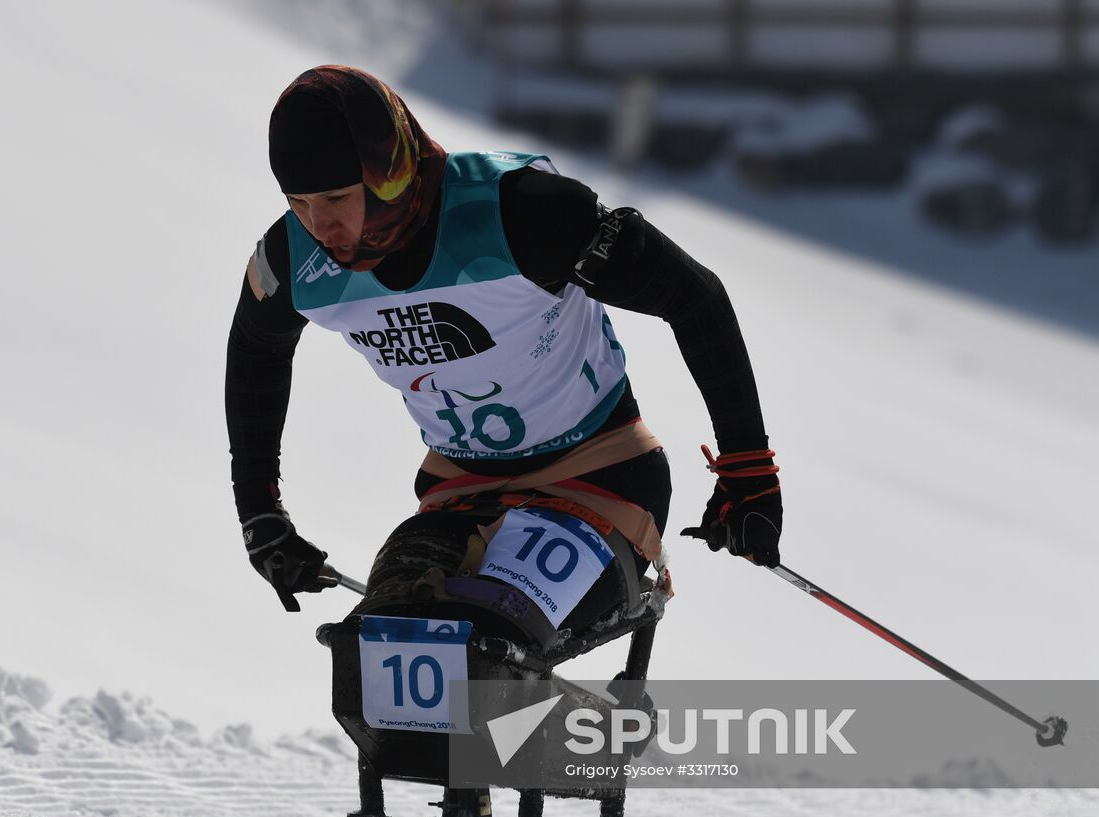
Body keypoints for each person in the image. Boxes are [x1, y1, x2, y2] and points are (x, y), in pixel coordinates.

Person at [227, 65, 781, 615]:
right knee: (377, 648)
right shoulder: (293, 259)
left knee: (481, 642)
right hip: (459, 488)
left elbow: (694, 296)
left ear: (386, 172)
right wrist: (260, 513)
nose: (320, 228)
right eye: (298, 203)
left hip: (600, 474)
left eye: (335, 197)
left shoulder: (519, 210)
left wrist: (748, 469)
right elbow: (257, 350)